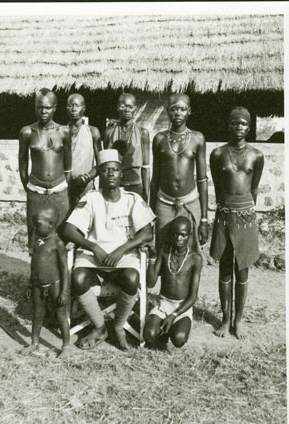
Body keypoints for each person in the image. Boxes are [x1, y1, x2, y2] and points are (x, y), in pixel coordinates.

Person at [63, 149, 155, 350]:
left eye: (115, 170)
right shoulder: (92, 198)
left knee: (132, 278)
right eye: (105, 170)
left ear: (121, 174)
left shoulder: (132, 199)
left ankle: (118, 325)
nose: (111, 174)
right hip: (94, 256)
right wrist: (93, 246)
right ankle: (100, 326)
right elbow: (69, 230)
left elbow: (147, 233)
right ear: (100, 175)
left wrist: (122, 249)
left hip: (123, 256)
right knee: (78, 278)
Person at [210, 106, 264, 339]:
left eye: (242, 124)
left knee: (242, 270)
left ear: (249, 128)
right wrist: (227, 208)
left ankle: (238, 321)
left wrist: (244, 210)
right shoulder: (218, 154)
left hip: (245, 216)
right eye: (234, 123)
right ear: (228, 125)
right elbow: (217, 183)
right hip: (224, 213)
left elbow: (253, 188)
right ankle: (224, 319)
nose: (238, 127)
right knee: (224, 267)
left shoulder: (256, 155)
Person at [150, 93, 208, 252]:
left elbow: (202, 180)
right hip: (164, 203)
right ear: (167, 111)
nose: (178, 113)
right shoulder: (159, 139)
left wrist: (203, 219)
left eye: (183, 109)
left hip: (189, 203)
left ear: (189, 111)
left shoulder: (197, 138)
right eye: (174, 109)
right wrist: (151, 214)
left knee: (189, 252)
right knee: (162, 250)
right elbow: (155, 179)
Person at [18, 88, 71, 252]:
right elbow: (22, 161)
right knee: (35, 237)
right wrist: (29, 186)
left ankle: (59, 276)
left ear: (55, 107)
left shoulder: (64, 132)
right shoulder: (27, 132)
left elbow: (68, 165)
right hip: (36, 190)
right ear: (35, 107)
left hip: (59, 190)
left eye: (47, 107)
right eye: (39, 107)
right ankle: (37, 275)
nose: (43, 111)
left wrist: (62, 186)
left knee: (61, 236)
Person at [144, 217, 202, 349]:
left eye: (183, 234)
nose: (179, 238)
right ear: (171, 234)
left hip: (182, 307)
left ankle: (172, 327)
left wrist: (174, 315)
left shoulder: (195, 259)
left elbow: (193, 297)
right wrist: (152, 258)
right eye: (176, 234)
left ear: (189, 235)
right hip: (163, 304)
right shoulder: (164, 252)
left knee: (179, 339)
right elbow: (151, 283)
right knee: (149, 335)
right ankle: (164, 329)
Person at [22, 205, 71, 359]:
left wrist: (64, 291)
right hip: (37, 285)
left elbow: (64, 269)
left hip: (54, 285)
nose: (35, 227)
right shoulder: (37, 239)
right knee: (37, 314)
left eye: (38, 224)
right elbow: (33, 264)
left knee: (61, 315)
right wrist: (31, 284)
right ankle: (34, 342)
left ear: (51, 224)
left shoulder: (57, 243)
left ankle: (66, 346)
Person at [104, 93, 150, 201]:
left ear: (135, 109)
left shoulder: (142, 133)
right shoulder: (109, 132)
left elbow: (146, 168)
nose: (127, 109)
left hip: (135, 186)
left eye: (130, 106)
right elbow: (105, 165)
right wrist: (103, 189)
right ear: (117, 108)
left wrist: (146, 194)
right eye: (123, 106)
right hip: (114, 186)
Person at [67, 93, 101, 207]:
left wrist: (86, 177)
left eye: (77, 105)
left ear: (84, 108)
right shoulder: (61, 132)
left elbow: (101, 163)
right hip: (65, 187)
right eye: (70, 105)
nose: (73, 109)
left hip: (86, 187)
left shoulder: (92, 131)